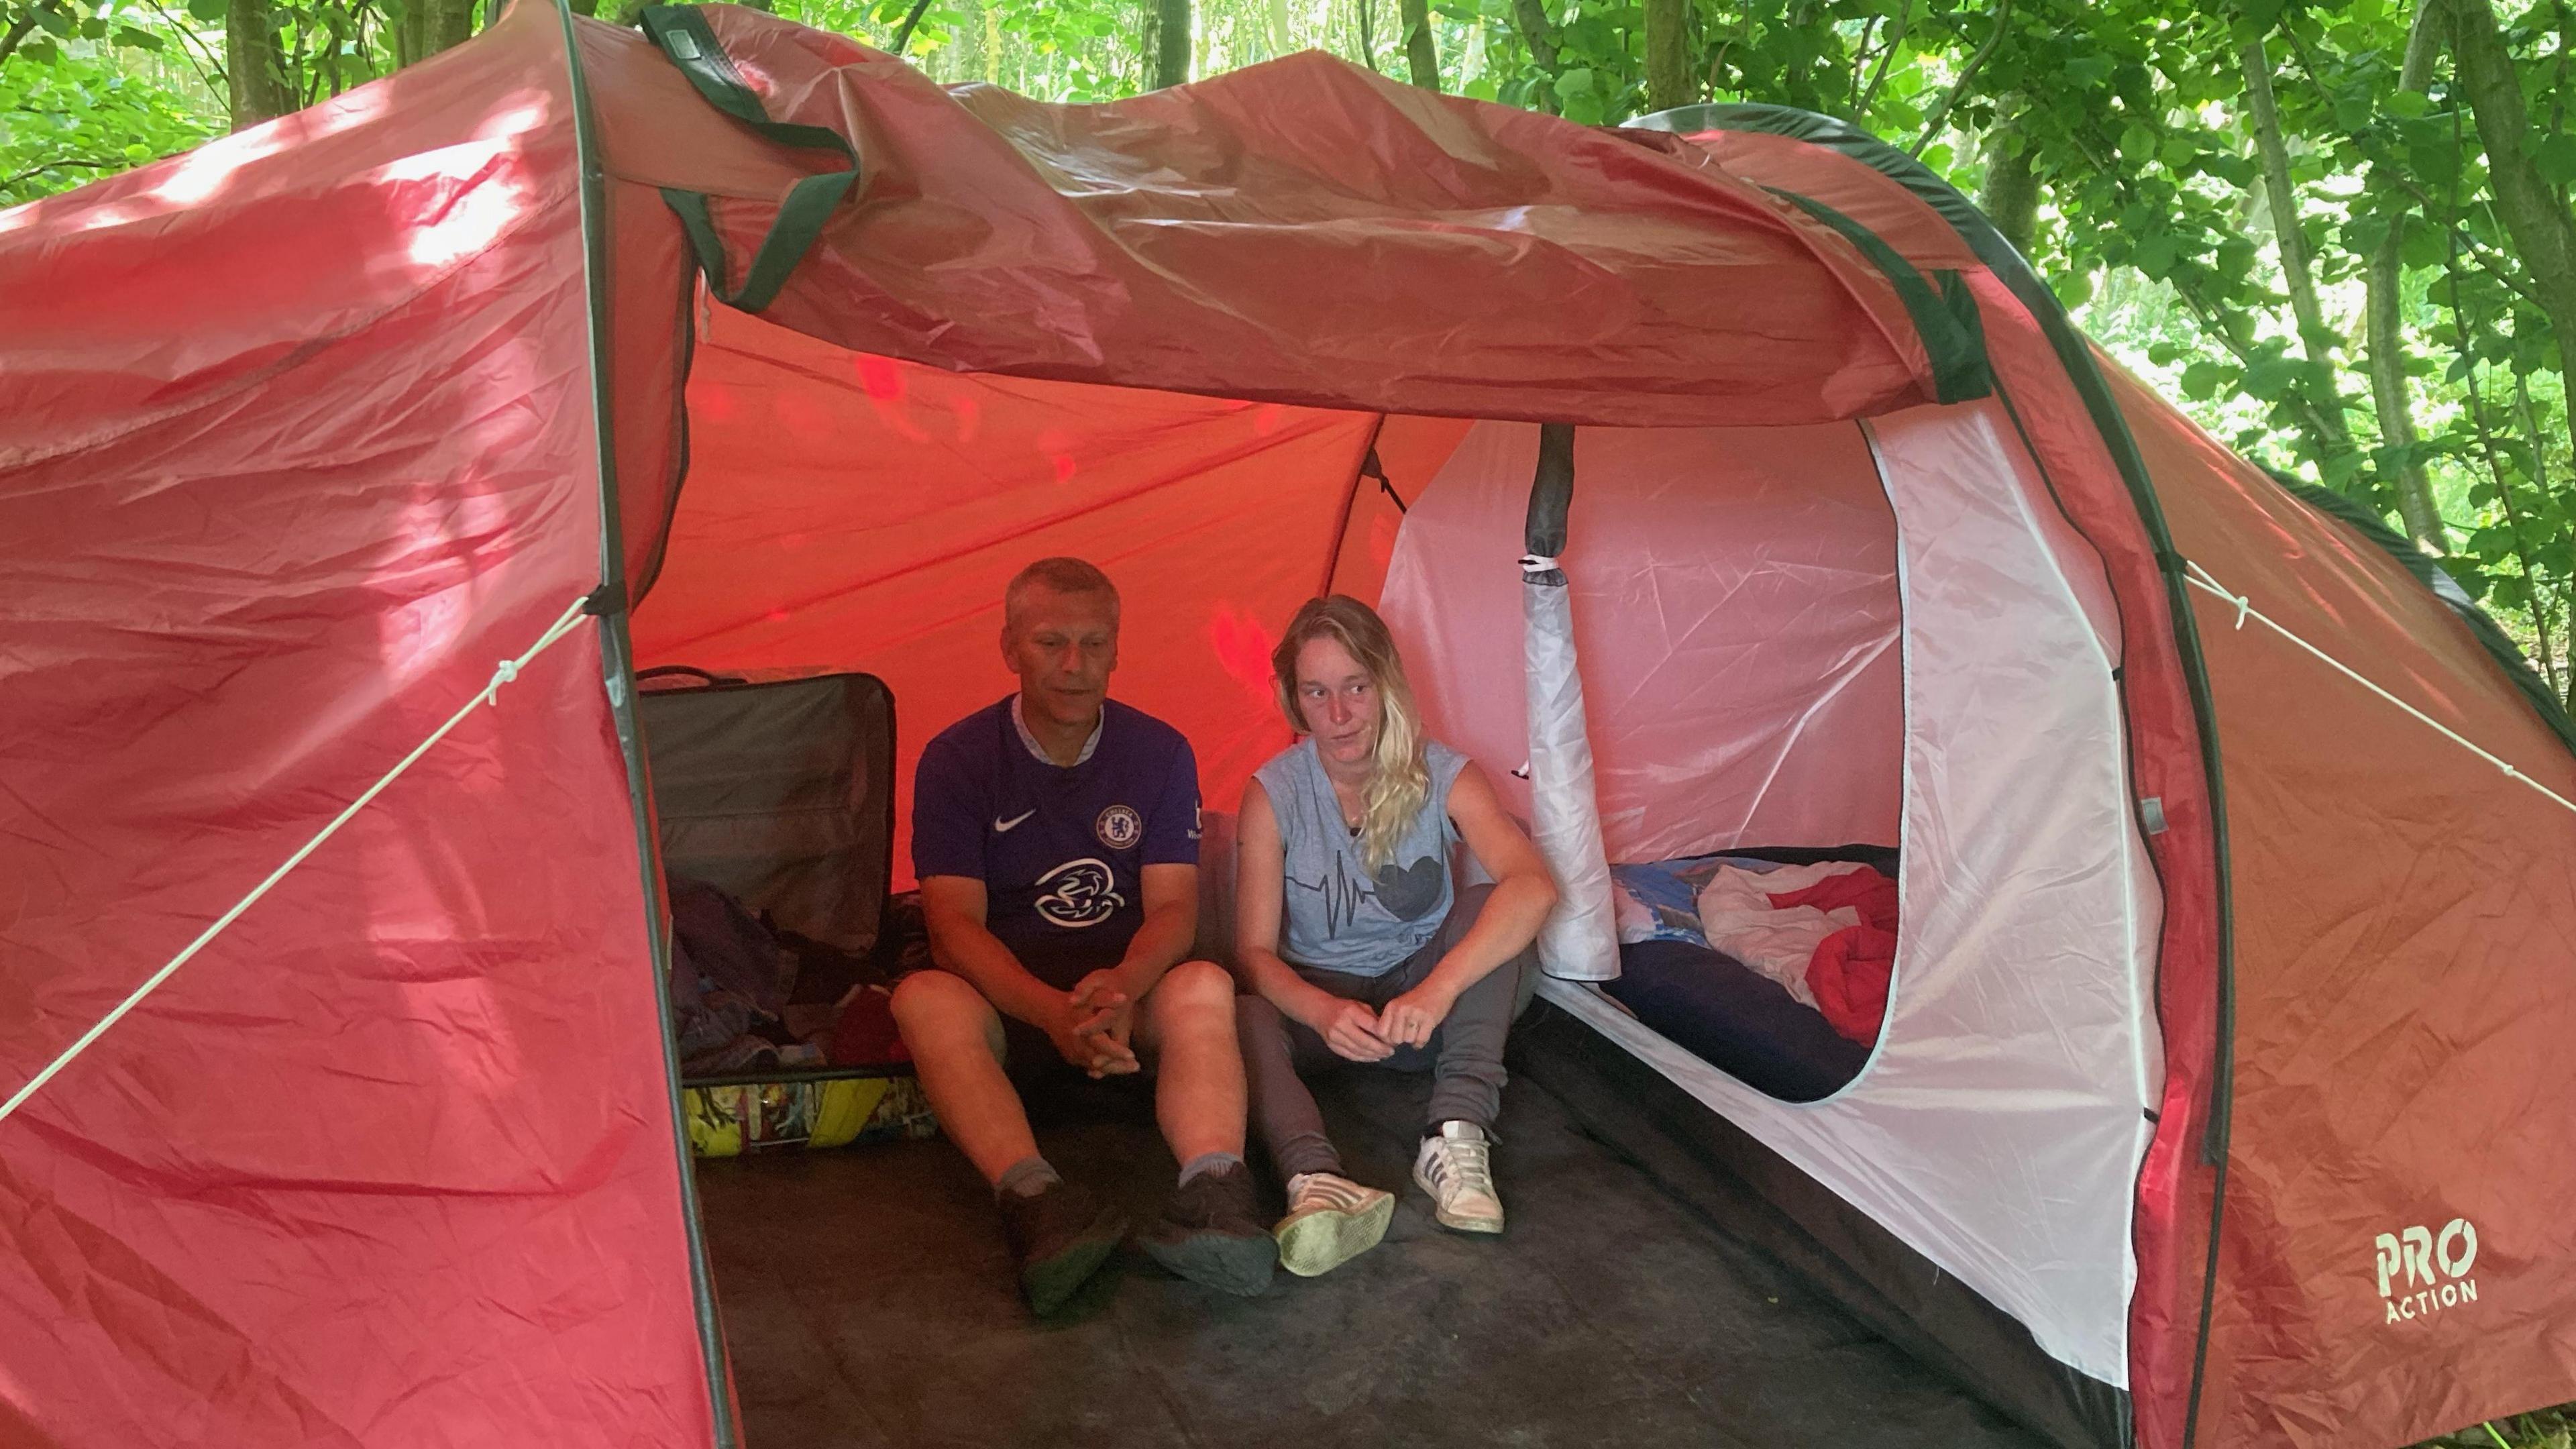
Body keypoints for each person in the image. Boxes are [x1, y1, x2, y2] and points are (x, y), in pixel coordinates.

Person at [889, 557, 1276, 1315]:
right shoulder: (956, 760)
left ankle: (1218, 1194)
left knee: (1204, 982)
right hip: (1014, 1007)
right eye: (1051, 643)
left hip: (1123, 1006)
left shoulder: (1160, 752)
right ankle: (1037, 1203)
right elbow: (952, 928)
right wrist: (1047, 1013)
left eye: (1095, 644)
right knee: (924, 998)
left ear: (1118, 650)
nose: (1075, 666)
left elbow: (1175, 908)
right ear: (1009, 649)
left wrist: (1126, 986)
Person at [1232, 595, 1558, 1275]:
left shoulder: (1445, 773)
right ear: (1294, 702)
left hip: (1418, 1011)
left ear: (1385, 683)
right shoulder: (1273, 794)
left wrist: (1437, 990)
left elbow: (1534, 886)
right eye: (1317, 693)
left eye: (1355, 687)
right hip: (1324, 1022)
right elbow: (1255, 956)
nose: (1341, 714)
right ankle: (1314, 1179)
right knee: (1233, 1009)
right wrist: (1320, 1010)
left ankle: (1455, 1134)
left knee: (1496, 906)